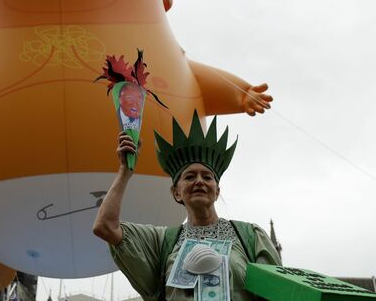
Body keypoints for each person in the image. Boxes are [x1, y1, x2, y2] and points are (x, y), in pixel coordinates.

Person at [93, 111, 281, 301]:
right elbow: (106, 226)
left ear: (217, 191)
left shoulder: (251, 237)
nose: (199, 181)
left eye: (207, 177)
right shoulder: (161, 241)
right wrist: (125, 171)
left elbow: (278, 293)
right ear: (176, 192)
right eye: (190, 177)